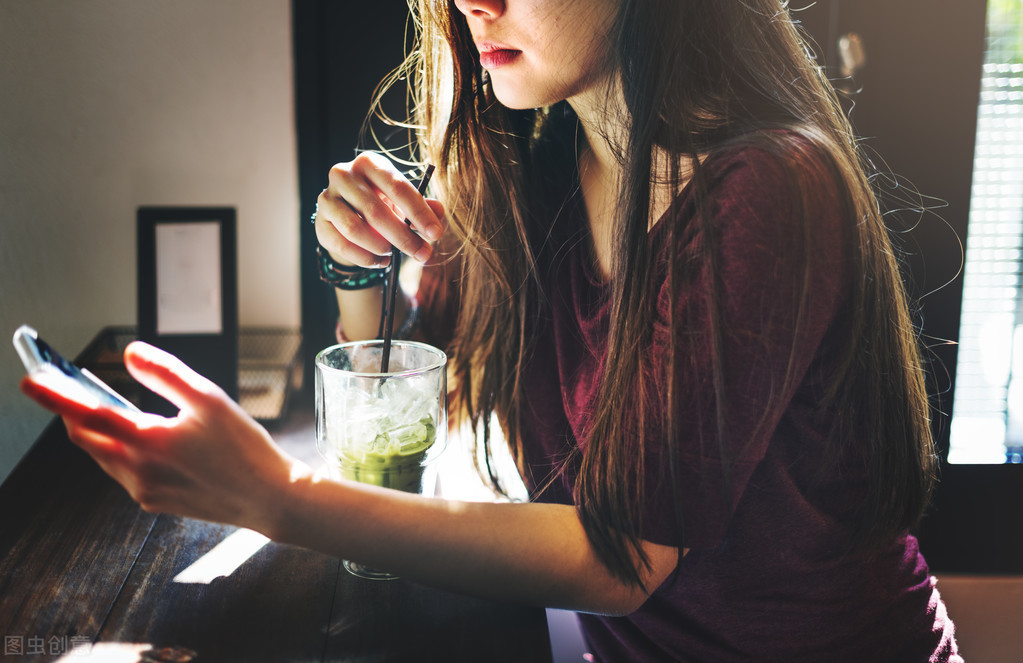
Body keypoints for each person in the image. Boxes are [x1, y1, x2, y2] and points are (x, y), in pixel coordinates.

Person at [21, 1, 964, 661]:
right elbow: (404, 405)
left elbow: (621, 559)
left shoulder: (764, 188)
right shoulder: (537, 161)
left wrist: (272, 496)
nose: (473, 3)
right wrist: (357, 264)